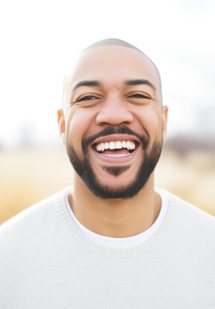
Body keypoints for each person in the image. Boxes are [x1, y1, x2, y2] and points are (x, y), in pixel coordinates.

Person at [0, 39, 214, 309]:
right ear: (63, 125)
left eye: (138, 95)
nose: (114, 115)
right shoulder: (6, 258)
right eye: (88, 98)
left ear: (164, 120)